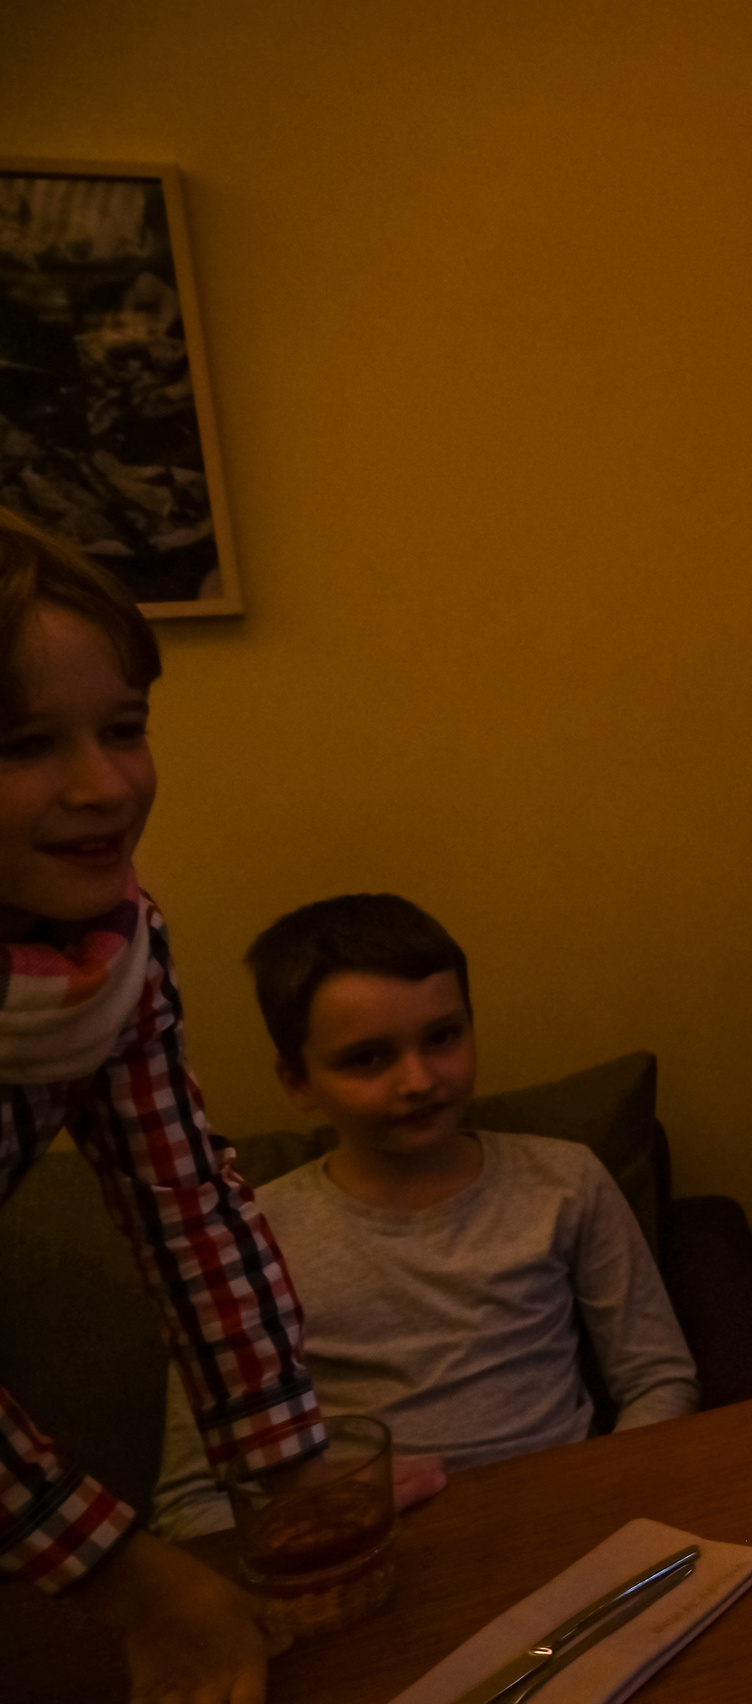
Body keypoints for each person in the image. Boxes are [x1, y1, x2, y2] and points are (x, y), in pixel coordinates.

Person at [0, 509, 324, 1703]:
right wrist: (140, 1586)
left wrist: (290, 1471)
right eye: (25, 744)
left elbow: (185, 1204)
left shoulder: (110, 945)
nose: (103, 787)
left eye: (124, 730)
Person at [151, 894, 699, 1540]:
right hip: (371, 1546)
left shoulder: (566, 1180)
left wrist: (605, 1494)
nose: (418, 1081)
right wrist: (319, 1521)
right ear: (298, 1082)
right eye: (367, 1058)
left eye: (442, 1038)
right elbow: (189, 1500)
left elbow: (658, 1377)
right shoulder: (245, 1239)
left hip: (571, 1523)